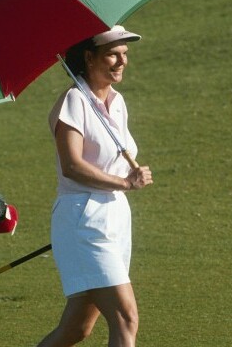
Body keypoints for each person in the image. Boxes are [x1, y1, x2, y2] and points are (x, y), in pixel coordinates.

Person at [38, 25, 153, 347]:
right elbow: (72, 166)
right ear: (89, 57)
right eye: (112, 54)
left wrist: (125, 183)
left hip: (114, 217)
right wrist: (125, 182)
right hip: (83, 219)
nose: (121, 61)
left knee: (76, 329)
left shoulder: (117, 101)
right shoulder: (74, 101)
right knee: (125, 317)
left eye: (125, 54)